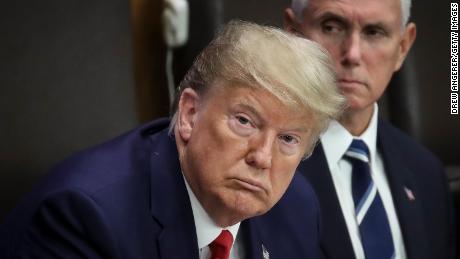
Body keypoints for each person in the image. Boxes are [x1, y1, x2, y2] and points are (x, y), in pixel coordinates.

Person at [0, 20, 344, 258]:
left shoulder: (297, 207)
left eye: (287, 138)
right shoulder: (84, 217)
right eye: (244, 121)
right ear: (190, 114)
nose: (263, 157)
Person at [283, 0, 455, 258]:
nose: (352, 54)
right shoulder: (260, 163)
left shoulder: (427, 174)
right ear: (293, 33)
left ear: (403, 47)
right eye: (331, 27)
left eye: (374, 32)